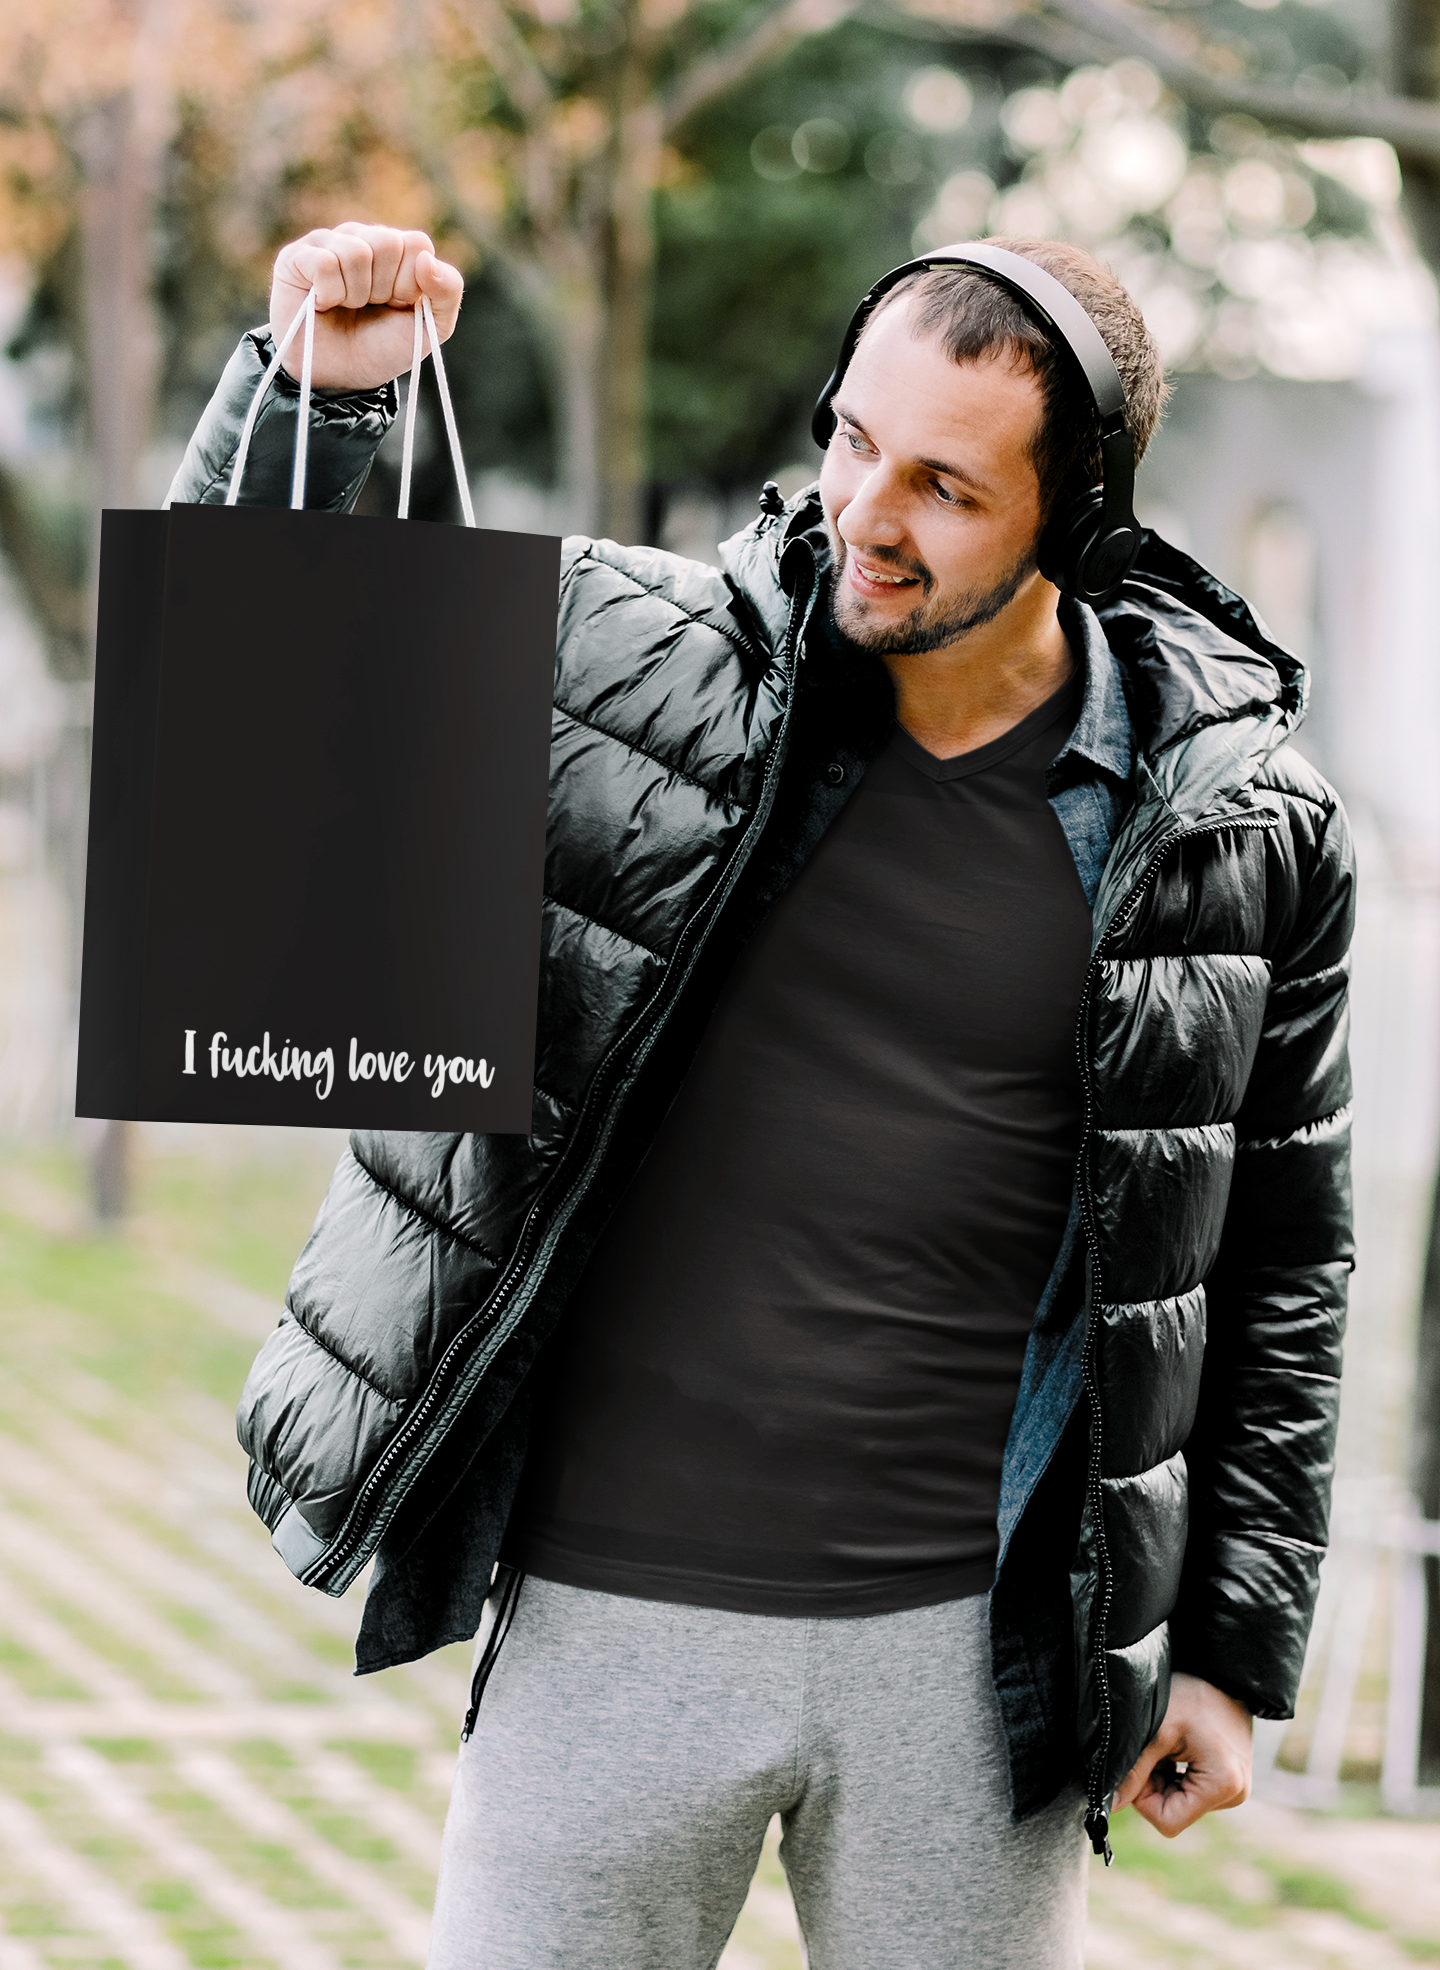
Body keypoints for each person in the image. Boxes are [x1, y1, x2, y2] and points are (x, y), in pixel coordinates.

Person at [170, 221, 1354, 1968]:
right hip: (611, 1619)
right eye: (854, 439)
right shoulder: (640, 664)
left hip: (979, 1659)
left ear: (1076, 521)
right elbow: (250, 689)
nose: (868, 512)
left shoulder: (1240, 828)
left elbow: (1281, 1263)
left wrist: (1235, 1657)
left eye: (946, 486)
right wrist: (321, 406)